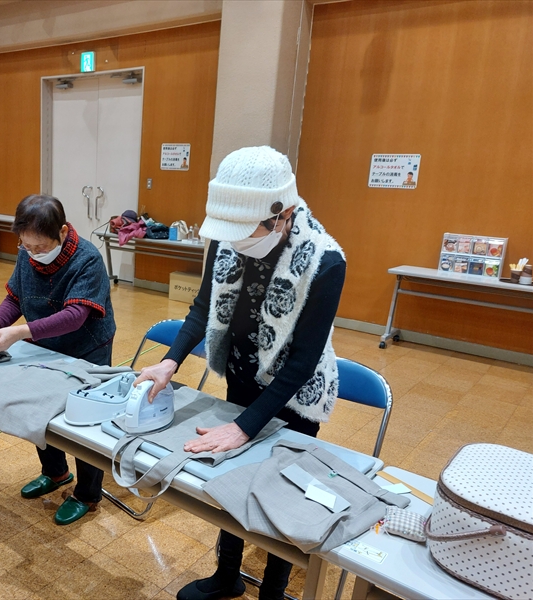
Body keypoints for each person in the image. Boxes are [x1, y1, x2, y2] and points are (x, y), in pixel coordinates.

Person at [134, 146, 346, 600]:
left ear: (282, 215)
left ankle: (273, 590)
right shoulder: (228, 237)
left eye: (246, 232)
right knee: (232, 480)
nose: (235, 241)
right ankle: (227, 574)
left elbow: (302, 363)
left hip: (295, 394)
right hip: (243, 374)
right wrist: (170, 362)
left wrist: (244, 427)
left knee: (280, 490)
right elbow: (202, 308)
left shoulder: (325, 262)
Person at [0, 194, 116, 525]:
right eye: (26, 246)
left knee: (83, 420)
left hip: (87, 347)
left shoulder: (88, 260)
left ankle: (87, 493)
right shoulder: (27, 253)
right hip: (43, 343)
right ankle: (55, 473)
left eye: (40, 246)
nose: (34, 253)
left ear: (63, 232)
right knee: (38, 407)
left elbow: (75, 316)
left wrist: (18, 332)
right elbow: (16, 297)